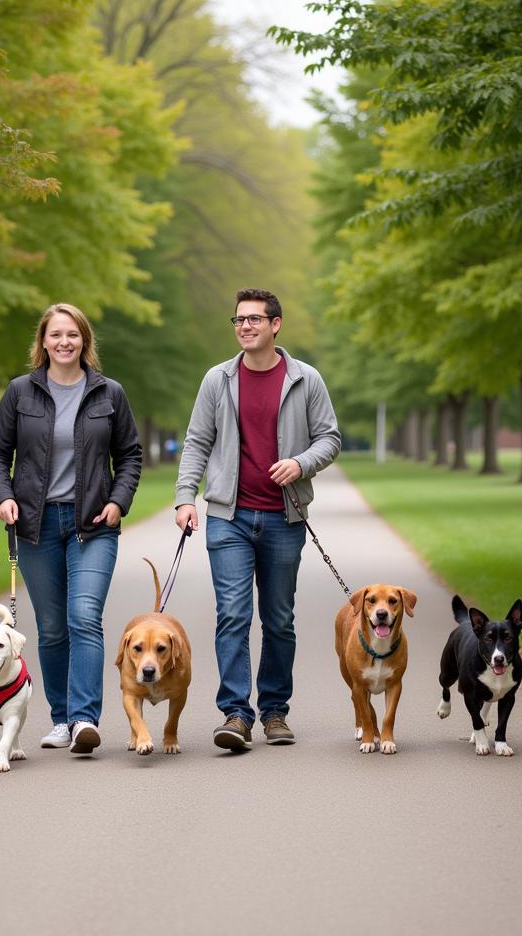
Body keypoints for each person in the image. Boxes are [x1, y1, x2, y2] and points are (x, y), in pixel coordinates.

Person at [175, 287, 341, 751]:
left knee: (279, 619)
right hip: (228, 516)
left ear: (275, 325)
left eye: (254, 319)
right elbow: (196, 442)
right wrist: (185, 498)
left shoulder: (305, 380)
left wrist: (301, 463)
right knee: (232, 613)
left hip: (283, 518)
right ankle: (235, 713)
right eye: (239, 320)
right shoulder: (218, 379)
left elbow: (330, 438)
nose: (245, 326)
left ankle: (274, 712)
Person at [0, 303, 142, 755]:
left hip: (92, 525)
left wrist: (118, 502)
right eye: (56, 335)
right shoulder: (20, 393)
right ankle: (60, 718)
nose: (64, 342)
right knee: (52, 627)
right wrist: (4, 496)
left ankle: (85, 720)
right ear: (44, 341)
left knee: (84, 617)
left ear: (85, 340)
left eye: (72, 334)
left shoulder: (109, 393)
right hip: (35, 525)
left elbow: (130, 454)